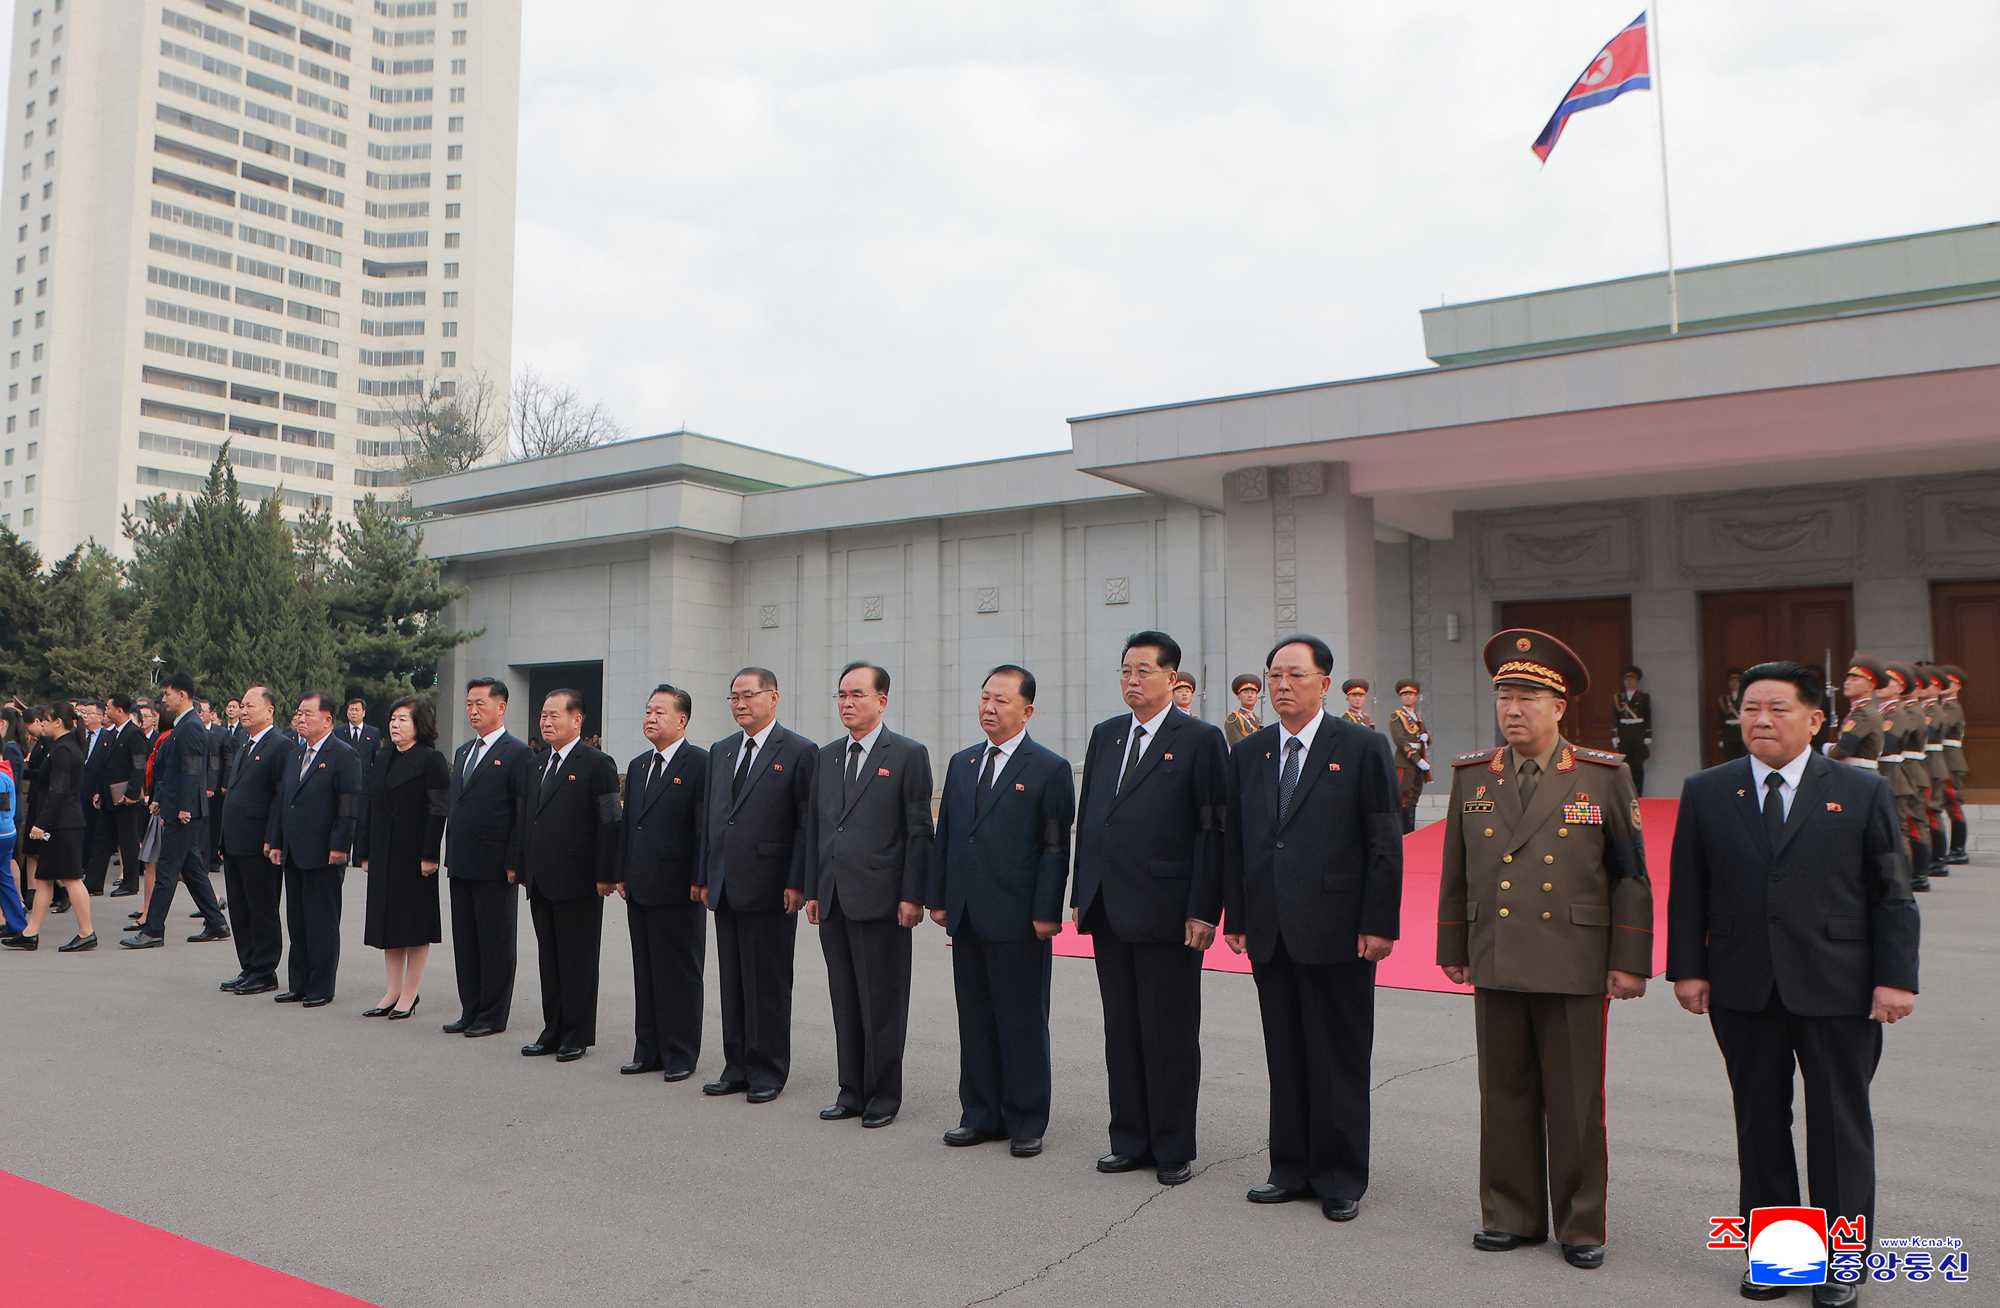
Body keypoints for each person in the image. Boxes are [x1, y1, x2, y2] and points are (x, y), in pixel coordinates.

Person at [1668, 660, 1919, 1308]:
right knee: (1759, 1121)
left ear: (1814, 720)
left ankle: (1843, 1261)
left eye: (1777, 708)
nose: (1760, 720)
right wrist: (1688, 968)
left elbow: (1892, 892)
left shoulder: (1860, 791)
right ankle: (1781, 1257)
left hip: (1839, 983)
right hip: (1742, 983)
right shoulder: (1708, 790)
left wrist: (1895, 979)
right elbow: (1689, 887)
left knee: (1838, 1124)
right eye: (1750, 708)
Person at [1436, 629, 1651, 1270]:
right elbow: (1455, 870)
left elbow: (1630, 875)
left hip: (1572, 958)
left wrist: (1628, 960)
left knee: (1576, 1099)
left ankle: (1581, 1224)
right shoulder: (1474, 775)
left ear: (1558, 707)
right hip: (1498, 953)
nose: (1513, 709)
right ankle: (1510, 1214)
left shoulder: (1602, 775)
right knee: (1503, 1093)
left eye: (1528, 697)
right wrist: (1453, 944)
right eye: (1505, 696)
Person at [1224, 635, 1402, 1222]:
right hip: (1271, 928)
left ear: (1324, 683)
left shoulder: (1362, 746)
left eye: (1295, 675)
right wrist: (1237, 915)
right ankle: (1290, 1168)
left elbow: (1384, 841)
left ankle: (1340, 1175)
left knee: (1338, 1056)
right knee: (1286, 1053)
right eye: (1274, 675)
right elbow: (1239, 842)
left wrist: (1379, 922)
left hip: (1339, 929)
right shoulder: (1250, 753)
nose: (1281, 686)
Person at [1072, 631, 1225, 1185]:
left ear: (1171, 678)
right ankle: (1129, 1138)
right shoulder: (1107, 735)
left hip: (1168, 910)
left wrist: (1204, 908)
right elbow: (1091, 817)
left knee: (1169, 1033)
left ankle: (1172, 1145)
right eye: (1125, 671)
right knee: (1122, 1030)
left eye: (1143, 671)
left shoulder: (1200, 739)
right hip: (1109, 906)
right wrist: (1081, 892)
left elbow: (1213, 830)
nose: (1132, 680)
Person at [927, 664, 1075, 1158]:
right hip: (967, 912)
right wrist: (939, 896)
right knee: (975, 1016)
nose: (989, 708)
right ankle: (980, 1113)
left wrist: (1046, 911)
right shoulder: (962, 763)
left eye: (1001, 701)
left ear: (1027, 711)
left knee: (1021, 1019)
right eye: (984, 698)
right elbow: (947, 834)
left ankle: (1026, 1118)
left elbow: (1055, 848)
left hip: (1019, 916)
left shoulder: (1048, 768)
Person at [803, 663, 934, 1129]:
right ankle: (851, 1090)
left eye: (857, 694)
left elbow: (919, 831)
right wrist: (814, 888)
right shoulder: (827, 757)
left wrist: (913, 894)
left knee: (882, 1002)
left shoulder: (908, 755)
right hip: (834, 896)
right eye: (841, 695)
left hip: (883, 899)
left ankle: (883, 1094)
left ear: (882, 700)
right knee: (845, 999)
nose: (847, 703)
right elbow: (817, 828)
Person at [696, 667, 815, 1101]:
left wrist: (798, 881)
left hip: (772, 885)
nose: (740, 704)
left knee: (767, 982)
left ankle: (768, 1070)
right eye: (734, 697)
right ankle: (737, 1066)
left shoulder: (799, 751)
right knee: (732, 981)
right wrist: (705, 875)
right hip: (726, 882)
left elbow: (805, 823)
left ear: (773, 697)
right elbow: (711, 819)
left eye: (748, 695)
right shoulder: (722, 750)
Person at [512, 688, 621, 1062]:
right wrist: (522, 865)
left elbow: (610, 822)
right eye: (543, 715)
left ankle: (577, 1033)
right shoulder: (536, 764)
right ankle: (553, 1029)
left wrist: (607, 873)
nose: (546, 721)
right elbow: (527, 819)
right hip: (541, 878)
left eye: (554, 715)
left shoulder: (597, 764)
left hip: (580, 880)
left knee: (578, 959)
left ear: (577, 719)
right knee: (550, 959)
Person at [615, 684, 708, 1080]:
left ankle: (680, 1053)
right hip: (640, 884)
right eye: (648, 711)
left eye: (659, 712)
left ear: (681, 720)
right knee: (647, 970)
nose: (650, 718)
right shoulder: (638, 766)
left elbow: (703, 828)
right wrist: (622, 871)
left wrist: (700, 877)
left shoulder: (700, 763)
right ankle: (648, 1049)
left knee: (680, 973)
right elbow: (628, 824)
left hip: (680, 888)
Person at [443, 677, 532, 1039]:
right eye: (469, 704)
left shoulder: (517, 753)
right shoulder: (464, 751)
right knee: (466, 940)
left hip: (495, 864)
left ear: (501, 706)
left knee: (495, 940)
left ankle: (493, 1013)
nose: (473, 710)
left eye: (480, 703)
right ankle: (471, 1008)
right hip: (462, 860)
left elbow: (521, 812)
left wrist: (514, 860)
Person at [353, 696, 449, 1020]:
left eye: (403, 719)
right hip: (383, 852)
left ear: (419, 724)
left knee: (414, 925)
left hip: (415, 854)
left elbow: (438, 810)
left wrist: (430, 854)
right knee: (388, 924)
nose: (395, 724)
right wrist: (364, 851)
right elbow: (369, 804)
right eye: (393, 719)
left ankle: (410, 992)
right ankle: (392, 990)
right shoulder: (382, 757)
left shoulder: (431, 760)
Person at [266, 691, 362, 1006]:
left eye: (308, 713)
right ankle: (299, 983)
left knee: (321, 922)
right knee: (297, 921)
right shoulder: (295, 753)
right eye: (299, 713)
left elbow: (348, 806)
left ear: (327, 719)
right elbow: (283, 801)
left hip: (324, 852)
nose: (301, 719)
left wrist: (340, 846)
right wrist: (277, 841)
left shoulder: (343, 755)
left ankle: (321, 987)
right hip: (294, 850)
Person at [122, 674, 229, 948]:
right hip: (176, 806)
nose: (163, 699)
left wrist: (184, 807)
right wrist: (160, 799)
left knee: (166, 872)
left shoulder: (191, 726)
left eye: (167, 693)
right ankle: (217, 923)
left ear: (182, 695)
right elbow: (171, 769)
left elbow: (192, 772)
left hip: (184, 813)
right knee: (191, 869)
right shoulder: (183, 725)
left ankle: (153, 930)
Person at [216, 686, 293, 996]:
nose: (243, 710)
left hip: (259, 843)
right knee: (239, 907)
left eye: (250, 706)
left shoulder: (280, 746)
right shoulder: (244, 743)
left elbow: (280, 797)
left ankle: (264, 970)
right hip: (235, 841)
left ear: (269, 710)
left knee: (261, 907)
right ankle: (248, 966)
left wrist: (273, 838)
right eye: (242, 705)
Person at [3, 702, 98, 951]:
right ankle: (30, 932)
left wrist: (41, 824)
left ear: (58, 722)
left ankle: (87, 931)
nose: (42, 723)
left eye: (46, 719)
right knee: (44, 878)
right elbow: (46, 780)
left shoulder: (64, 750)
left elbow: (58, 790)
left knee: (71, 878)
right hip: (60, 823)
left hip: (63, 824)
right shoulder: (61, 746)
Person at [102, 695, 150, 898]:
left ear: (120, 710)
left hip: (127, 797)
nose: (106, 711)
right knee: (113, 839)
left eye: (108, 707)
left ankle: (131, 883)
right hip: (112, 795)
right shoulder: (115, 733)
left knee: (129, 841)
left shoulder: (134, 733)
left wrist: (132, 793)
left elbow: (139, 766)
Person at [77, 700, 116, 896]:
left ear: (100, 717)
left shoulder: (108, 738)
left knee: (94, 832)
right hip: (77, 791)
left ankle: (89, 872)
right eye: (83, 713)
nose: (84, 716)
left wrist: (100, 790)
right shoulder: (78, 736)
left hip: (96, 792)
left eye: (89, 713)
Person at [1826, 657, 1888, 777]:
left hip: (1860, 774)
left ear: (1870, 686)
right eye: (1847, 679)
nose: (1847, 682)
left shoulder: (1864, 713)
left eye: (1854, 679)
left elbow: (1843, 749)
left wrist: (1827, 749)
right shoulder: (1860, 711)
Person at [1938, 664, 1971, 865]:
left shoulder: (1952, 708)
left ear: (1958, 686)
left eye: (1948, 682)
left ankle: (1959, 849)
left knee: (1953, 804)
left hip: (1951, 762)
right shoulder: (1943, 707)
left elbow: (1939, 728)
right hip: (1943, 761)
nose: (1943, 685)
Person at [1388, 679, 1431, 833]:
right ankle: (1403, 834)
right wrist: (1417, 760)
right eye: (1404, 694)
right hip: (1405, 763)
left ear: (1416, 697)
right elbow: (1400, 740)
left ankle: (1410, 833)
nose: (1407, 696)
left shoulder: (1417, 717)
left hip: (1418, 763)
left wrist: (1426, 737)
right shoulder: (1397, 716)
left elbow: (1425, 737)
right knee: (1404, 799)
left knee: (1414, 798)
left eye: (1411, 694)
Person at [1611, 666, 1652, 794]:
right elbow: (1615, 717)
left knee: (1638, 765)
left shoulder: (1644, 697)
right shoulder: (1619, 697)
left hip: (1638, 731)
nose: (1629, 682)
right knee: (1624, 765)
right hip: (1624, 732)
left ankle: (1639, 793)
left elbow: (1648, 716)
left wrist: (1648, 735)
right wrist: (1615, 735)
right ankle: (1625, 794)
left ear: (1637, 681)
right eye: (1627, 680)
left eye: (1632, 680)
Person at [0, 758, 22, 944]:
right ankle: (17, 923)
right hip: (7, 832)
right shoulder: (5, 775)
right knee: (5, 879)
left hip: (1, 833)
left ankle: (17, 923)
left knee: (5, 879)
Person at [342, 697, 382, 776]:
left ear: (363, 713)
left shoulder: (373, 733)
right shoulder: (338, 732)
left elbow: (376, 760)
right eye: (351, 710)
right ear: (347, 712)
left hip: (365, 779)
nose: (353, 712)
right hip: (343, 778)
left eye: (357, 710)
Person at [1717, 669, 1747, 762]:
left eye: (1736, 681)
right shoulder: (1724, 700)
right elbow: (1721, 720)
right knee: (1730, 760)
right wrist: (1721, 738)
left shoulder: (1746, 698)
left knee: (1743, 761)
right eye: (1731, 681)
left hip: (1742, 734)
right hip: (1729, 734)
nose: (1734, 683)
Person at [1224, 674, 1263, 748]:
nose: (1250, 695)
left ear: (1256, 697)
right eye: (1245, 692)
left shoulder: (1257, 719)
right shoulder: (1233, 719)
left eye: (1253, 693)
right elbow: (1236, 745)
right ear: (1238, 696)